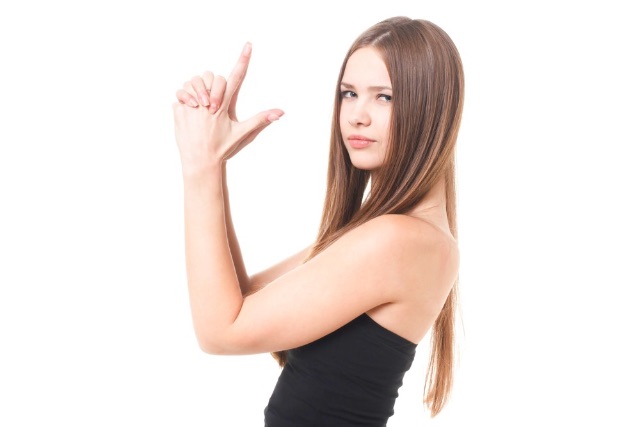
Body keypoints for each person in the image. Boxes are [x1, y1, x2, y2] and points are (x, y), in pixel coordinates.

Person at [173, 16, 464, 426]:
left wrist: (198, 166)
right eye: (350, 93)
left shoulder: (400, 238)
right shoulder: (393, 232)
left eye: (385, 97)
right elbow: (241, 299)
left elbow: (221, 331)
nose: (357, 115)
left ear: (432, 110)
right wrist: (216, 161)